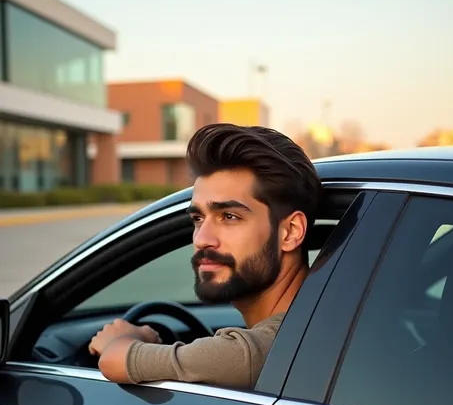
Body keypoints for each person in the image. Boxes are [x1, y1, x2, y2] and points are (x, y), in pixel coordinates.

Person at [88, 123, 323, 389]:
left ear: (290, 232)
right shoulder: (321, 326)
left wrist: (121, 339)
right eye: (198, 218)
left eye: (229, 217)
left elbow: (113, 361)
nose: (201, 239)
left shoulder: (256, 352)